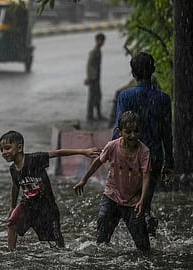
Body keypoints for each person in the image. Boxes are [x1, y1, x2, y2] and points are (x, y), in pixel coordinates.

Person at [0, 130, 100, 251]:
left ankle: (63, 251)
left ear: (20, 147)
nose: (4, 152)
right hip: (27, 204)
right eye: (1, 150)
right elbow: (15, 186)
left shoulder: (35, 159)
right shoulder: (13, 169)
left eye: (7, 148)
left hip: (46, 206)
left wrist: (83, 152)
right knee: (12, 223)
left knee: (55, 240)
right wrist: (12, 207)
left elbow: (58, 153)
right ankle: (11, 253)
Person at [112, 52, 174, 237]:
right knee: (144, 200)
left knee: (125, 199)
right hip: (154, 157)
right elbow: (166, 134)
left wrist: (111, 154)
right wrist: (169, 163)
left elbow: (119, 128)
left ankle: (140, 238)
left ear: (133, 73)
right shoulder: (163, 99)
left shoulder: (125, 96)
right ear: (153, 71)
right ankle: (147, 232)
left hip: (130, 158)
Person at [74, 111, 151, 251]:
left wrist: (142, 200)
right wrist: (84, 180)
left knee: (143, 246)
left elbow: (146, 175)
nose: (133, 135)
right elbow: (98, 162)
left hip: (133, 200)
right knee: (102, 239)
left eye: (136, 131)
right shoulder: (112, 146)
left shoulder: (144, 151)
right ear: (119, 131)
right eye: (128, 132)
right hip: (111, 195)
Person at [84, 32, 106, 121]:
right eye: (101, 40)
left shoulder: (98, 51)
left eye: (103, 41)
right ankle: (90, 116)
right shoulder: (94, 52)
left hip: (96, 78)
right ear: (97, 40)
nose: (102, 42)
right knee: (92, 97)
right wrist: (90, 78)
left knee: (97, 96)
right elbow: (89, 65)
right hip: (94, 79)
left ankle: (98, 114)